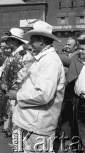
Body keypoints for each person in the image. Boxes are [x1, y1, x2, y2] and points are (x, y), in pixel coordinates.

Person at [11, 21, 65, 152]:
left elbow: (43, 95)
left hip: (37, 127)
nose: (29, 43)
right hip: (26, 122)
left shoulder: (50, 61)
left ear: (41, 41)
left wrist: (17, 95)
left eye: (32, 40)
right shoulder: (41, 58)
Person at [0, 28, 31, 135]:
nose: (7, 42)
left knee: (18, 119)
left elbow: (25, 76)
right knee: (11, 115)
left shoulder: (24, 55)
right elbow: (4, 68)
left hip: (17, 92)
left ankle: (19, 143)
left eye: (9, 40)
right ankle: (14, 138)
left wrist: (12, 86)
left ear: (16, 41)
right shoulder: (13, 54)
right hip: (10, 91)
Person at [66, 32, 85, 149]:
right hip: (80, 102)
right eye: (80, 49)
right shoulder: (79, 61)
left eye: (83, 50)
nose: (81, 52)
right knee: (81, 128)